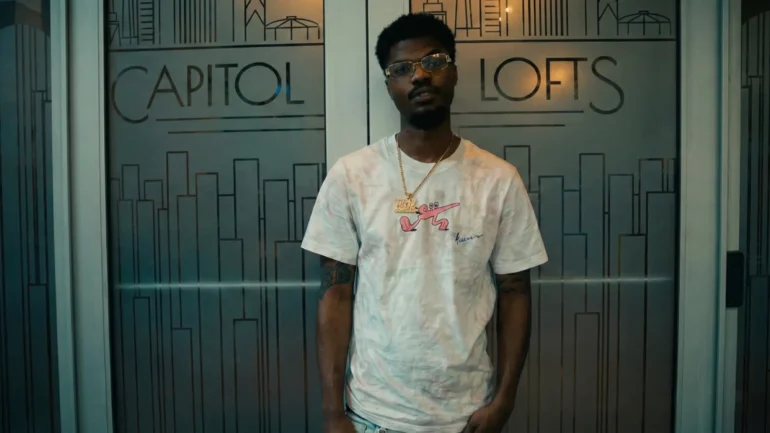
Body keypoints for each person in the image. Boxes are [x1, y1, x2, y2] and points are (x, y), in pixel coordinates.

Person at [301, 13, 548, 433]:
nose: (418, 76)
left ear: (453, 72)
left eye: (433, 62)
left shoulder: (498, 179)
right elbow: (335, 295)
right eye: (401, 69)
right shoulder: (352, 175)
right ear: (389, 85)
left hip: (467, 415)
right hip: (372, 413)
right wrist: (332, 412)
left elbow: (515, 291)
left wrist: (504, 401)